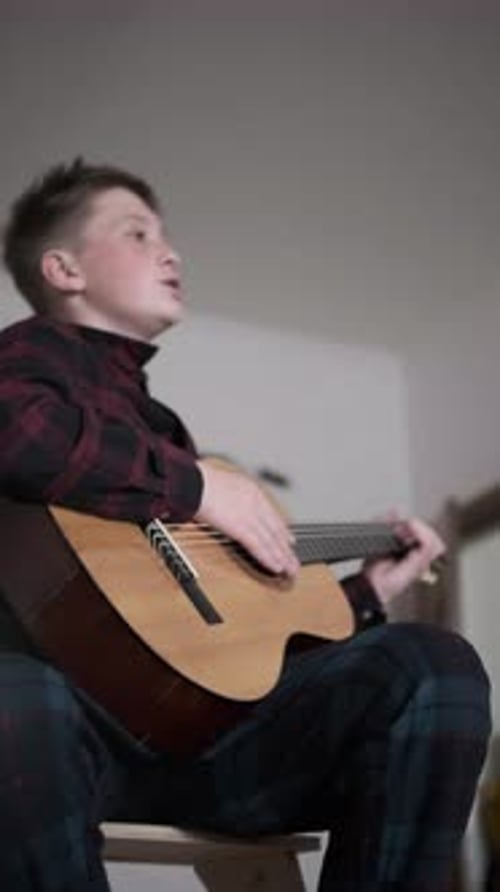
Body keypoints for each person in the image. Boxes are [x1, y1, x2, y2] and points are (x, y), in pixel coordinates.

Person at [0, 159, 491, 892]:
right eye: (138, 233)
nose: (172, 253)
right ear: (64, 267)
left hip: (206, 747)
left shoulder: (166, 433)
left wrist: (367, 596)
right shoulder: (34, 357)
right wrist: (198, 490)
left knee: (433, 665)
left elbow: (234, 651)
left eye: (167, 237)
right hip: (67, 739)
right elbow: (18, 434)